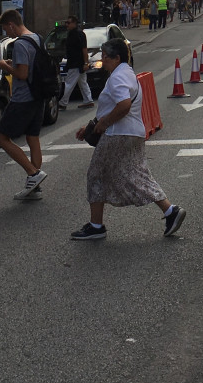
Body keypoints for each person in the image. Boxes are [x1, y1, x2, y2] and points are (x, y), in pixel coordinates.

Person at [70, 39, 185, 241]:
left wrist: (104, 123)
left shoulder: (117, 78)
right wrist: (92, 124)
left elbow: (123, 105)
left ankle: (96, 226)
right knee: (136, 175)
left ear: (117, 58)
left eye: (105, 57)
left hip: (118, 133)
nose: (102, 61)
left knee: (96, 174)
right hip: (132, 132)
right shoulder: (127, 73)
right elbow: (115, 105)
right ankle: (170, 211)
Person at [0, 9, 48, 199]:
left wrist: (5, 66)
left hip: (22, 98)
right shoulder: (37, 38)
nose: (7, 34)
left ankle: (33, 173)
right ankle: (35, 187)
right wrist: (13, 63)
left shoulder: (20, 45)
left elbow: (22, 74)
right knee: (33, 138)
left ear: (11, 25)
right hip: (38, 95)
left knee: (1, 138)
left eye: (6, 30)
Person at [60, 16, 94, 111]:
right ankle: (88, 100)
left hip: (76, 63)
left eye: (68, 22)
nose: (67, 24)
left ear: (74, 23)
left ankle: (63, 103)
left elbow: (84, 49)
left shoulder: (79, 34)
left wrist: (86, 63)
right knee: (82, 82)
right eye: (66, 22)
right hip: (76, 62)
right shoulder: (72, 33)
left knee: (69, 83)